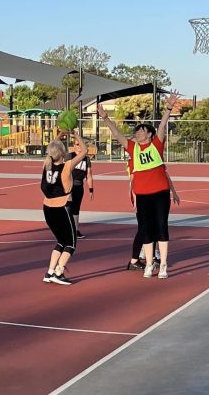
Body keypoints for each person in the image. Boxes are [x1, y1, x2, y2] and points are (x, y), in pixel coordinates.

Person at [99, 94, 181, 279]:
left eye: (141, 130)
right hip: (143, 194)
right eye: (136, 131)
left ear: (149, 134)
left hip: (160, 193)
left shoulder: (156, 145)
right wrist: (105, 118)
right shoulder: (133, 148)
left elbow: (162, 126)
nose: (138, 133)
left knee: (161, 227)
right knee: (146, 229)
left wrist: (168, 108)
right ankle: (149, 264)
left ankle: (163, 265)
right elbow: (117, 134)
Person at [41, 130, 88, 285]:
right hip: (62, 207)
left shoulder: (46, 165)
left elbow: (52, 148)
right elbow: (85, 151)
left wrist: (60, 135)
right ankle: (59, 272)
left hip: (47, 208)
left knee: (61, 241)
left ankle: (49, 272)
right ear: (63, 153)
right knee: (71, 243)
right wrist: (76, 136)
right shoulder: (67, 166)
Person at [65, 138, 94, 239]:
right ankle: (67, 229)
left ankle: (76, 230)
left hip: (79, 186)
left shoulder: (86, 159)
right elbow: (64, 171)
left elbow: (89, 175)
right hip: (68, 186)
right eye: (77, 144)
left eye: (80, 144)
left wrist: (91, 189)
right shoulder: (69, 156)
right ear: (74, 146)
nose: (79, 146)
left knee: (76, 209)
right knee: (68, 208)